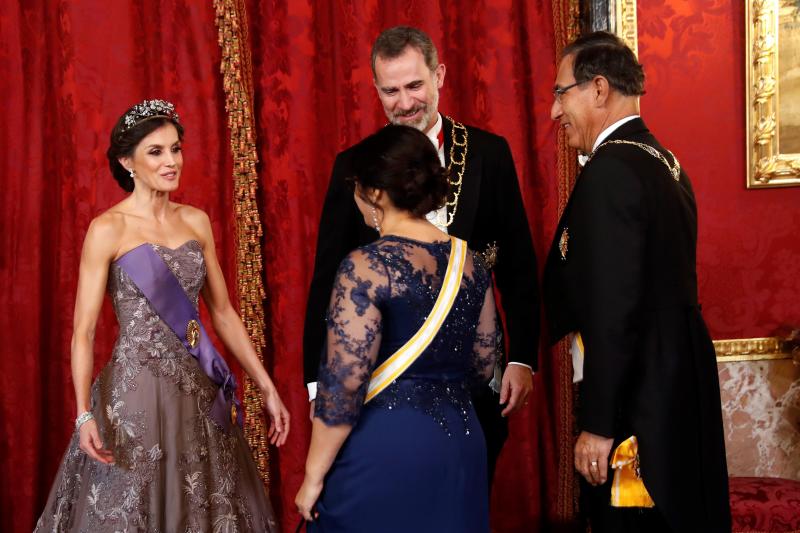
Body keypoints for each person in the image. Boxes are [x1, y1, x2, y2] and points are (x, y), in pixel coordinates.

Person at [35, 100, 289, 532]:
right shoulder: (107, 229)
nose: (172, 161)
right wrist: (83, 414)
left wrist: (265, 385)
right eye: (156, 152)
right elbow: (83, 332)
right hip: (133, 401)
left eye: (176, 149)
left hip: (196, 396)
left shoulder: (196, 221)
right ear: (126, 160)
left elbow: (223, 313)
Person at [303, 25, 540, 485]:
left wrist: (522, 358)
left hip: (472, 372)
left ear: (440, 76)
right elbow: (327, 280)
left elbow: (519, 265)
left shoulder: (489, 154)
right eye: (390, 90)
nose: (405, 102)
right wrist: (318, 385)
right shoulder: (352, 167)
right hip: (382, 378)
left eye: (414, 85)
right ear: (375, 89)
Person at [543, 32, 731, 532]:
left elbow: (613, 309)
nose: (554, 112)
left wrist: (599, 426)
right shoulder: (662, 162)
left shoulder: (610, 172)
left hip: (637, 408)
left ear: (598, 88)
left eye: (561, 93)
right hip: (674, 387)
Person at [294, 124, 498, 532]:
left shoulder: (366, 266)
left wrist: (312, 477)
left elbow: (344, 386)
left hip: (386, 448)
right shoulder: (470, 260)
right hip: (460, 444)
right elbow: (484, 365)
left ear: (374, 193)